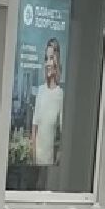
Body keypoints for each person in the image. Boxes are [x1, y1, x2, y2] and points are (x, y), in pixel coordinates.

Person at [31, 38, 65, 168]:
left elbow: (62, 133)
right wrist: (34, 159)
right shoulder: (40, 91)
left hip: (51, 164)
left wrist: (58, 158)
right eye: (46, 59)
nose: (48, 63)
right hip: (36, 162)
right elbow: (34, 127)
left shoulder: (60, 94)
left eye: (51, 58)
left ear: (57, 61)